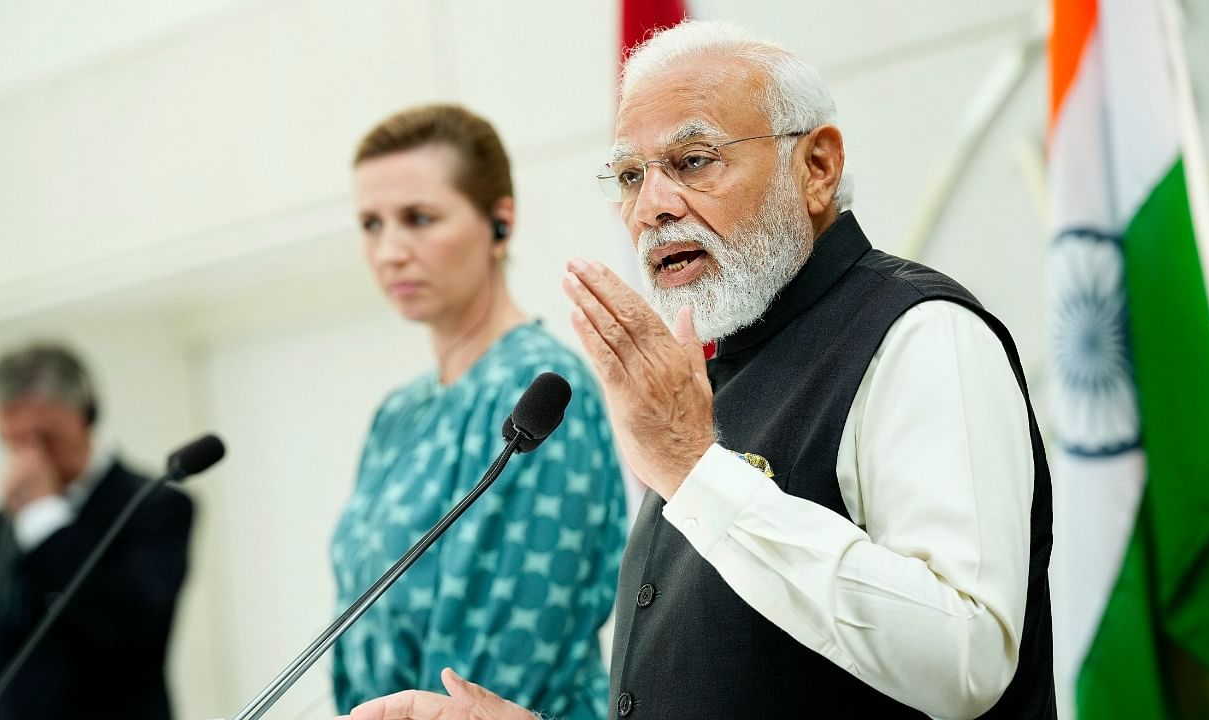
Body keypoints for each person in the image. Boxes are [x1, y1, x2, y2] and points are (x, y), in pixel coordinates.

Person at [341, 20, 1054, 720]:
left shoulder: (921, 333)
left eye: (692, 161)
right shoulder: (710, 375)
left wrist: (691, 465)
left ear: (817, 167)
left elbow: (966, 661)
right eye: (628, 175)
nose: (651, 207)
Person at [328, 104, 629, 719]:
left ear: (500, 222)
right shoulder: (398, 413)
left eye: (418, 218)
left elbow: (500, 667)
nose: (390, 251)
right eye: (371, 224)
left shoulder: (540, 389)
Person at [0, 343, 193, 720]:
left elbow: (130, 627)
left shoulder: (155, 505)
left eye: (46, 438)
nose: (30, 456)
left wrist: (46, 518)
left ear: (86, 414)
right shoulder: (7, 518)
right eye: (14, 441)